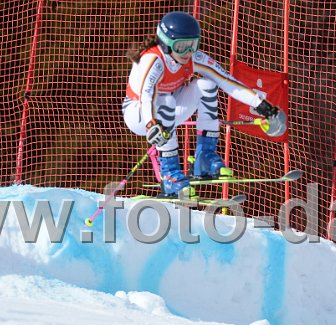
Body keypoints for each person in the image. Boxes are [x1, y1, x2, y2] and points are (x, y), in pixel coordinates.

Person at [123, 11, 287, 196]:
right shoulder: (153, 60)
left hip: (168, 110)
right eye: (181, 46)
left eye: (192, 45)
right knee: (165, 100)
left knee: (207, 85)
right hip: (138, 114)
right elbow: (147, 96)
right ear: (166, 43)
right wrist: (151, 123)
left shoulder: (193, 58)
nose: (187, 53)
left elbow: (227, 81)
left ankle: (204, 159)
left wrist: (263, 106)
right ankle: (169, 174)